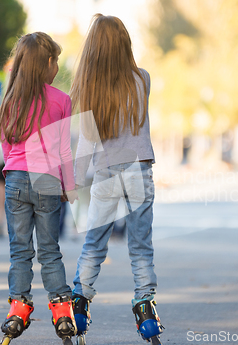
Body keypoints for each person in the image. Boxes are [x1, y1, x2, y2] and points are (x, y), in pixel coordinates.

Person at [70, 14, 164, 345]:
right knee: (140, 247)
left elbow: (85, 141)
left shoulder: (92, 89)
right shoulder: (144, 79)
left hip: (107, 172)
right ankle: (145, 310)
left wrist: (74, 182)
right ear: (125, 44)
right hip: (139, 170)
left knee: (95, 244)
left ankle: (79, 304)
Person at [0, 32, 78, 344]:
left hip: (15, 177)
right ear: (47, 65)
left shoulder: (11, 98)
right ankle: (62, 312)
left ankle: (18, 309)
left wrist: (12, 171)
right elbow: (65, 152)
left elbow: (6, 144)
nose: (58, 66)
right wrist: (68, 186)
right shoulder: (62, 100)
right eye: (55, 60)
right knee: (50, 250)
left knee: (20, 251)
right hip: (47, 180)